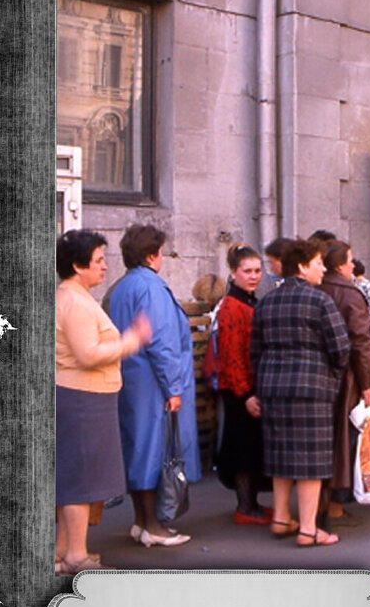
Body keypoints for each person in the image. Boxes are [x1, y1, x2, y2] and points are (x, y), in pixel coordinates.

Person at [55, 230, 151, 574]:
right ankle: (76, 556)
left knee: (75, 479)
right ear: (78, 265)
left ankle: (65, 551)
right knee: (82, 480)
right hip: (84, 398)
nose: (105, 267)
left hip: (83, 396)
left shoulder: (73, 297)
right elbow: (88, 354)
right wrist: (131, 341)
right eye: (98, 261)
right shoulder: (76, 302)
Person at [250, 238, 351, 546]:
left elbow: (255, 350)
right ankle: (308, 528)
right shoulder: (320, 302)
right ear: (303, 267)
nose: (323, 268)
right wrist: (332, 377)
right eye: (319, 263)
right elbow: (341, 348)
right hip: (312, 388)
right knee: (311, 461)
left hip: (273, 388)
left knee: (281, 455)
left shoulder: (266, 302)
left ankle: (281, 517)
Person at [108, 223, 201, 548]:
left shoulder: (120, 288)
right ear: (152, 255)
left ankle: (140, 521)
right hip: (152, 382)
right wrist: (173, 388)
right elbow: (162, 343)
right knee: (153, 453)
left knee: (137, 450)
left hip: (130, 379)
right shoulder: (152, 287)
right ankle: (154, 526)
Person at [318, 241, 370, 518]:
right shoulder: (349, 293)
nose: (353, 265)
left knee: (322, 439)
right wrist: (367, 382)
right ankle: (336, 506)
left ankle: (318, 503)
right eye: (350, 260)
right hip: (346, 376)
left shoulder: (316, 287)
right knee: (345, 440)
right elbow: (361, 341)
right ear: (340, 265)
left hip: (319, 374)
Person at [214, 244, 272, 524]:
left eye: (257, 270)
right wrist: (246, 393)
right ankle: (245, 506)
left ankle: (252, 503)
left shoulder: (249, 301)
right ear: (233, 273)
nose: (253, 276)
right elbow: (231, 354)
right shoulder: (231, 306)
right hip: (239, 389)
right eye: (247, 271)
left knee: (251, 447)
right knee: (241, 449)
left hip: (249, 385)